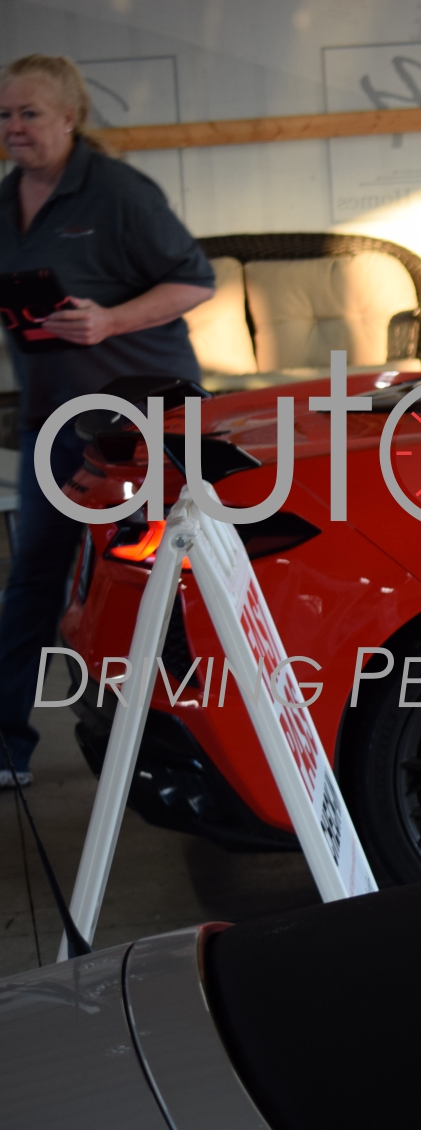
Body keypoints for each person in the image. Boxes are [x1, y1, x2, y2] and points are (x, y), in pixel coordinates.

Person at [0, 55, 214, 786]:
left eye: (29, 113)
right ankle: (6, 745)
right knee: (35, 577)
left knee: (159, 582)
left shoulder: (118, 191)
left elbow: (195, 279)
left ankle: (189, 745)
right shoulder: (4, 204)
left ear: (69, 117)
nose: (14, 127)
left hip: (143, 423)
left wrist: (111, 320)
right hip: (55, 421)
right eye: (4, 115)